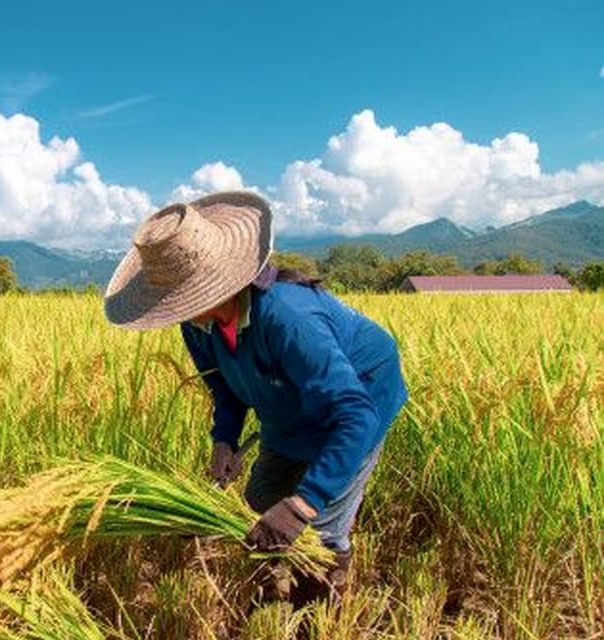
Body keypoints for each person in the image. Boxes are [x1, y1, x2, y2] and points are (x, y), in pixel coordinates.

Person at [102, 192, 408, 605]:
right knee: (261, 502)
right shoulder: (197, 324)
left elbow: (354, 416)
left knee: (318, 528)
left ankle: (316, 619)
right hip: (286, 400)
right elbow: (224, 386)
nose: (180, 311)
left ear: (216, 282)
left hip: (360, 397)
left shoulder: (288, 318)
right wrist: (224, 440)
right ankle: (271, 591)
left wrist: (304, 504)